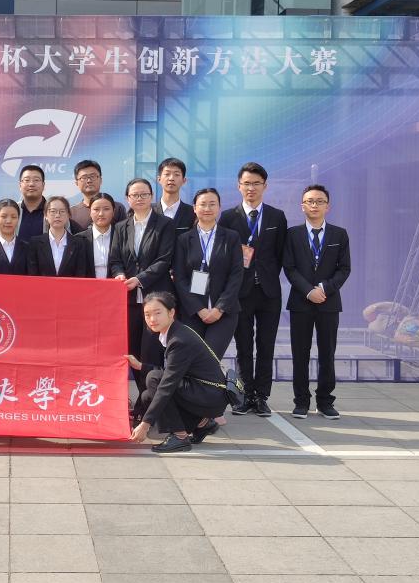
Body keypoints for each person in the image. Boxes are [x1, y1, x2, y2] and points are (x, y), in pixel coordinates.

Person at [218, 161, 287, 417]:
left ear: (265, 186)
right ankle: (245, 395)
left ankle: (262, 397)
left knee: (266, 346)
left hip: (269, 292)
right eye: (246, 183)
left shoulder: (276, 217)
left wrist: (266, 275)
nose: (251, 188)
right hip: (240, 293)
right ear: (239, 186)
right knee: (244, 346)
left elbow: (281, 254)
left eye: (256, 183)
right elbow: (224, 256)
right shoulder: (228, 217)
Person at [129, 293, 230, 454]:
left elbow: (167, 384)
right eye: (147, 314)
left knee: (154, 379)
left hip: (210, 396)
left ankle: (180, 437)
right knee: (148, 396)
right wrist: (141, 366)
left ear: (171, 312)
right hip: (205, 391)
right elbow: (172, 372)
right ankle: (202, 424)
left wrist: (145, 424)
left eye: (157, 313)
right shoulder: (174, 331)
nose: (152, 319)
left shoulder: (179, 340)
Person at [283, 184, 351, 420]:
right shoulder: (292, 234)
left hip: (328, 303)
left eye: (319, 201)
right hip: (301, 303)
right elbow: (289, 268)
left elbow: (344, 269)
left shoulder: (339, 234)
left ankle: (325, 402)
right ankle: (301, 401)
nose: (314, 205)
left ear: (327, 206)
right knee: (299, 354)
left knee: (327, 354)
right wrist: (308, 291)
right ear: (302, 206)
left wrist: (324, 289)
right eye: (310, 201)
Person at [109, 178, 176, 408]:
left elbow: (164, 260)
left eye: (144, 194)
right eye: (134, 195)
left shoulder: (165, 224)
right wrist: (119, 274)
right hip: (128, 301)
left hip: (155, 299)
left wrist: (139, 279)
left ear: (151, 196)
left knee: (151, 352)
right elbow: (115, 259)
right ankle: (144, 399)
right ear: (127, 198)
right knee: (132, 351)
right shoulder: (121, 227)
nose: (139, 198)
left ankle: (151, 400)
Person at [173, 188, 243, 359]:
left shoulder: (231, 237)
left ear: (219, 207)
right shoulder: (184, 240)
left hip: (224, 313)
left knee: (210, 359)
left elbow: (236, 275)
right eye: (202, 204)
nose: (207, 208)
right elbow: (180, 278)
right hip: (192, 313)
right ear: (194, 208)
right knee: (191, 359)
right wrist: (199, 309)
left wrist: (219, 308)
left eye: (212, 204)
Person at [27, 196, 88, 277]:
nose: (57, 215)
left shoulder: (78, 243)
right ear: (45, 215)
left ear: (68, 215)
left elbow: (80, 274)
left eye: (62, 211)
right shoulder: (35, 243)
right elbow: (33, 274)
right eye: (53, 211)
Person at [69, 159, 127, 231]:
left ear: (100, 180)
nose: (89, 181)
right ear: (76, 183)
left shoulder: (117, 208)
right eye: (84, 177)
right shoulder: (71, 212)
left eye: (92, 176)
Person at [78, 192, 116, 279]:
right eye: (96, 209)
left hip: (115, 286)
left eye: (106, 209)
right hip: (88, 286)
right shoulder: (79, 239)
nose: (101, 214)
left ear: (113, 212)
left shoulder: (122, 237)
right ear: (90, 212)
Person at [156, 157, 196, 235]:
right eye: (167, 174)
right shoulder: (149, 211)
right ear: (159, 179)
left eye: (176, 174)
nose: (171, 178)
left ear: (184, 180)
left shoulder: (192, 213)